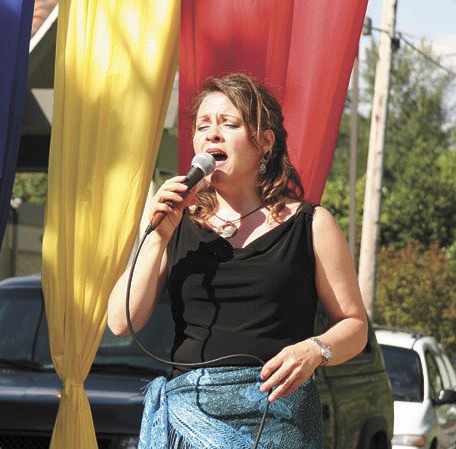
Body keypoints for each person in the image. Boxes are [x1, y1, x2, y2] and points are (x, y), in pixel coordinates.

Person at [107, 72, 368, 449]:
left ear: (264, 142)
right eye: (203, 126)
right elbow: (120, 322)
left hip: (277, 418)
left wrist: (314, 350)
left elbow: (355, 325)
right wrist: (157, 239)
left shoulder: (311, 224)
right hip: (191, 420)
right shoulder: (177, 224)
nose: (211, 134)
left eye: (228, 124)